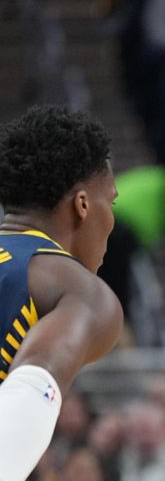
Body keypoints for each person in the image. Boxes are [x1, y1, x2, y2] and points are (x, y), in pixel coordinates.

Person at [0, 105, 124, 480]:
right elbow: (33, 388)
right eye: (112, 202)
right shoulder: (80, 291)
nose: (113, 220)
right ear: (83, 205)